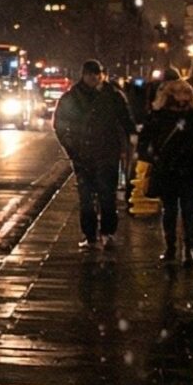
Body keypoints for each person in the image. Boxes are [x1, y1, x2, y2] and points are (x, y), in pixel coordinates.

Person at [54, 61, 136, 252]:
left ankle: (107, 232)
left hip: (107, 152)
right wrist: (71, 147)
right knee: (86, 197)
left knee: (107, 194)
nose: (94, 78)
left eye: (97, 74)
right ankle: (90, 235)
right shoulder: (72, 97)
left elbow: (125, 118)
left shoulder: (113, 96)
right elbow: (59, 124)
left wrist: (131, 136)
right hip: (83, 153)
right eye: (91, 74)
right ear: (83, 75)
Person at [139, 79, 193, 266]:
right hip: (168, 168)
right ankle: (171, 246)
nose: (185, 96)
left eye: (187, 92)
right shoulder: (159, 116)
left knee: (190, 210)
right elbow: (145, 140)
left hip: (190, 168)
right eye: (180, 92)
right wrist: (152, 157)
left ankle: (188, 247)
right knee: (170, 211)